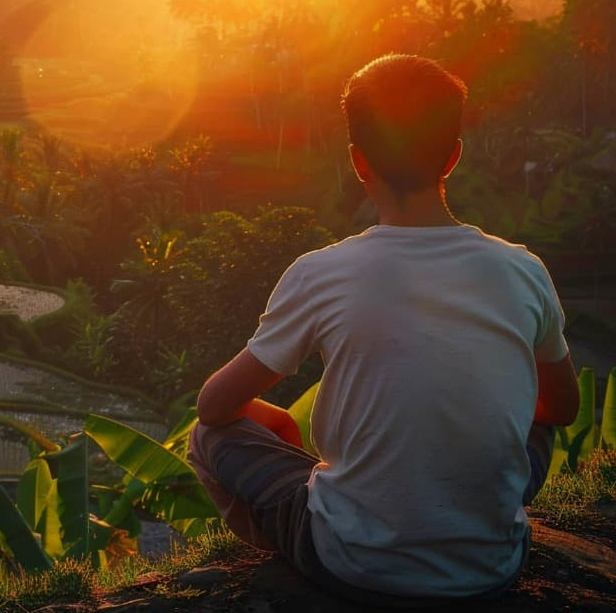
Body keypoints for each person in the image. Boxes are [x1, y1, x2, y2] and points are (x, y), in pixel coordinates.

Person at [187, 54, 581, 605]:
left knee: (206, 438)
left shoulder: (320, 273)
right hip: (494, 566)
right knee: (537, 428)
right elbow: (561, 410)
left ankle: (292, 551)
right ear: (453, 157)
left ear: (358, 162)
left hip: (352, 566)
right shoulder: (523, 269)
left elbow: (212, 408)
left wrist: (272, 417)